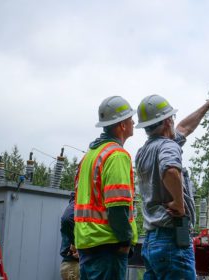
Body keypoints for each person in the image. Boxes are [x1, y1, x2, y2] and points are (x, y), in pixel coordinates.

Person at [135, 88, 209, 280]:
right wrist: (179, 203)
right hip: (171, 239)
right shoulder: (168, 146)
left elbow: (185, 128)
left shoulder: (144, 151)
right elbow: (170, 169)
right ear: (168, 121)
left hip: (151, 241)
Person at [74, 96, 139, 280]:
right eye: (129, 118)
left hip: (87, 245)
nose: (133, 121)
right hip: (108, 247)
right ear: (122, 126)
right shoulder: (116, 155)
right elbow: (117, 206)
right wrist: (126, 240)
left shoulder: (90, 156)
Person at [60, 192, 79, 280]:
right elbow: (66, 219)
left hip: (72, 265)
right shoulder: (77, 203)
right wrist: (75, 244)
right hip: (73, 265)